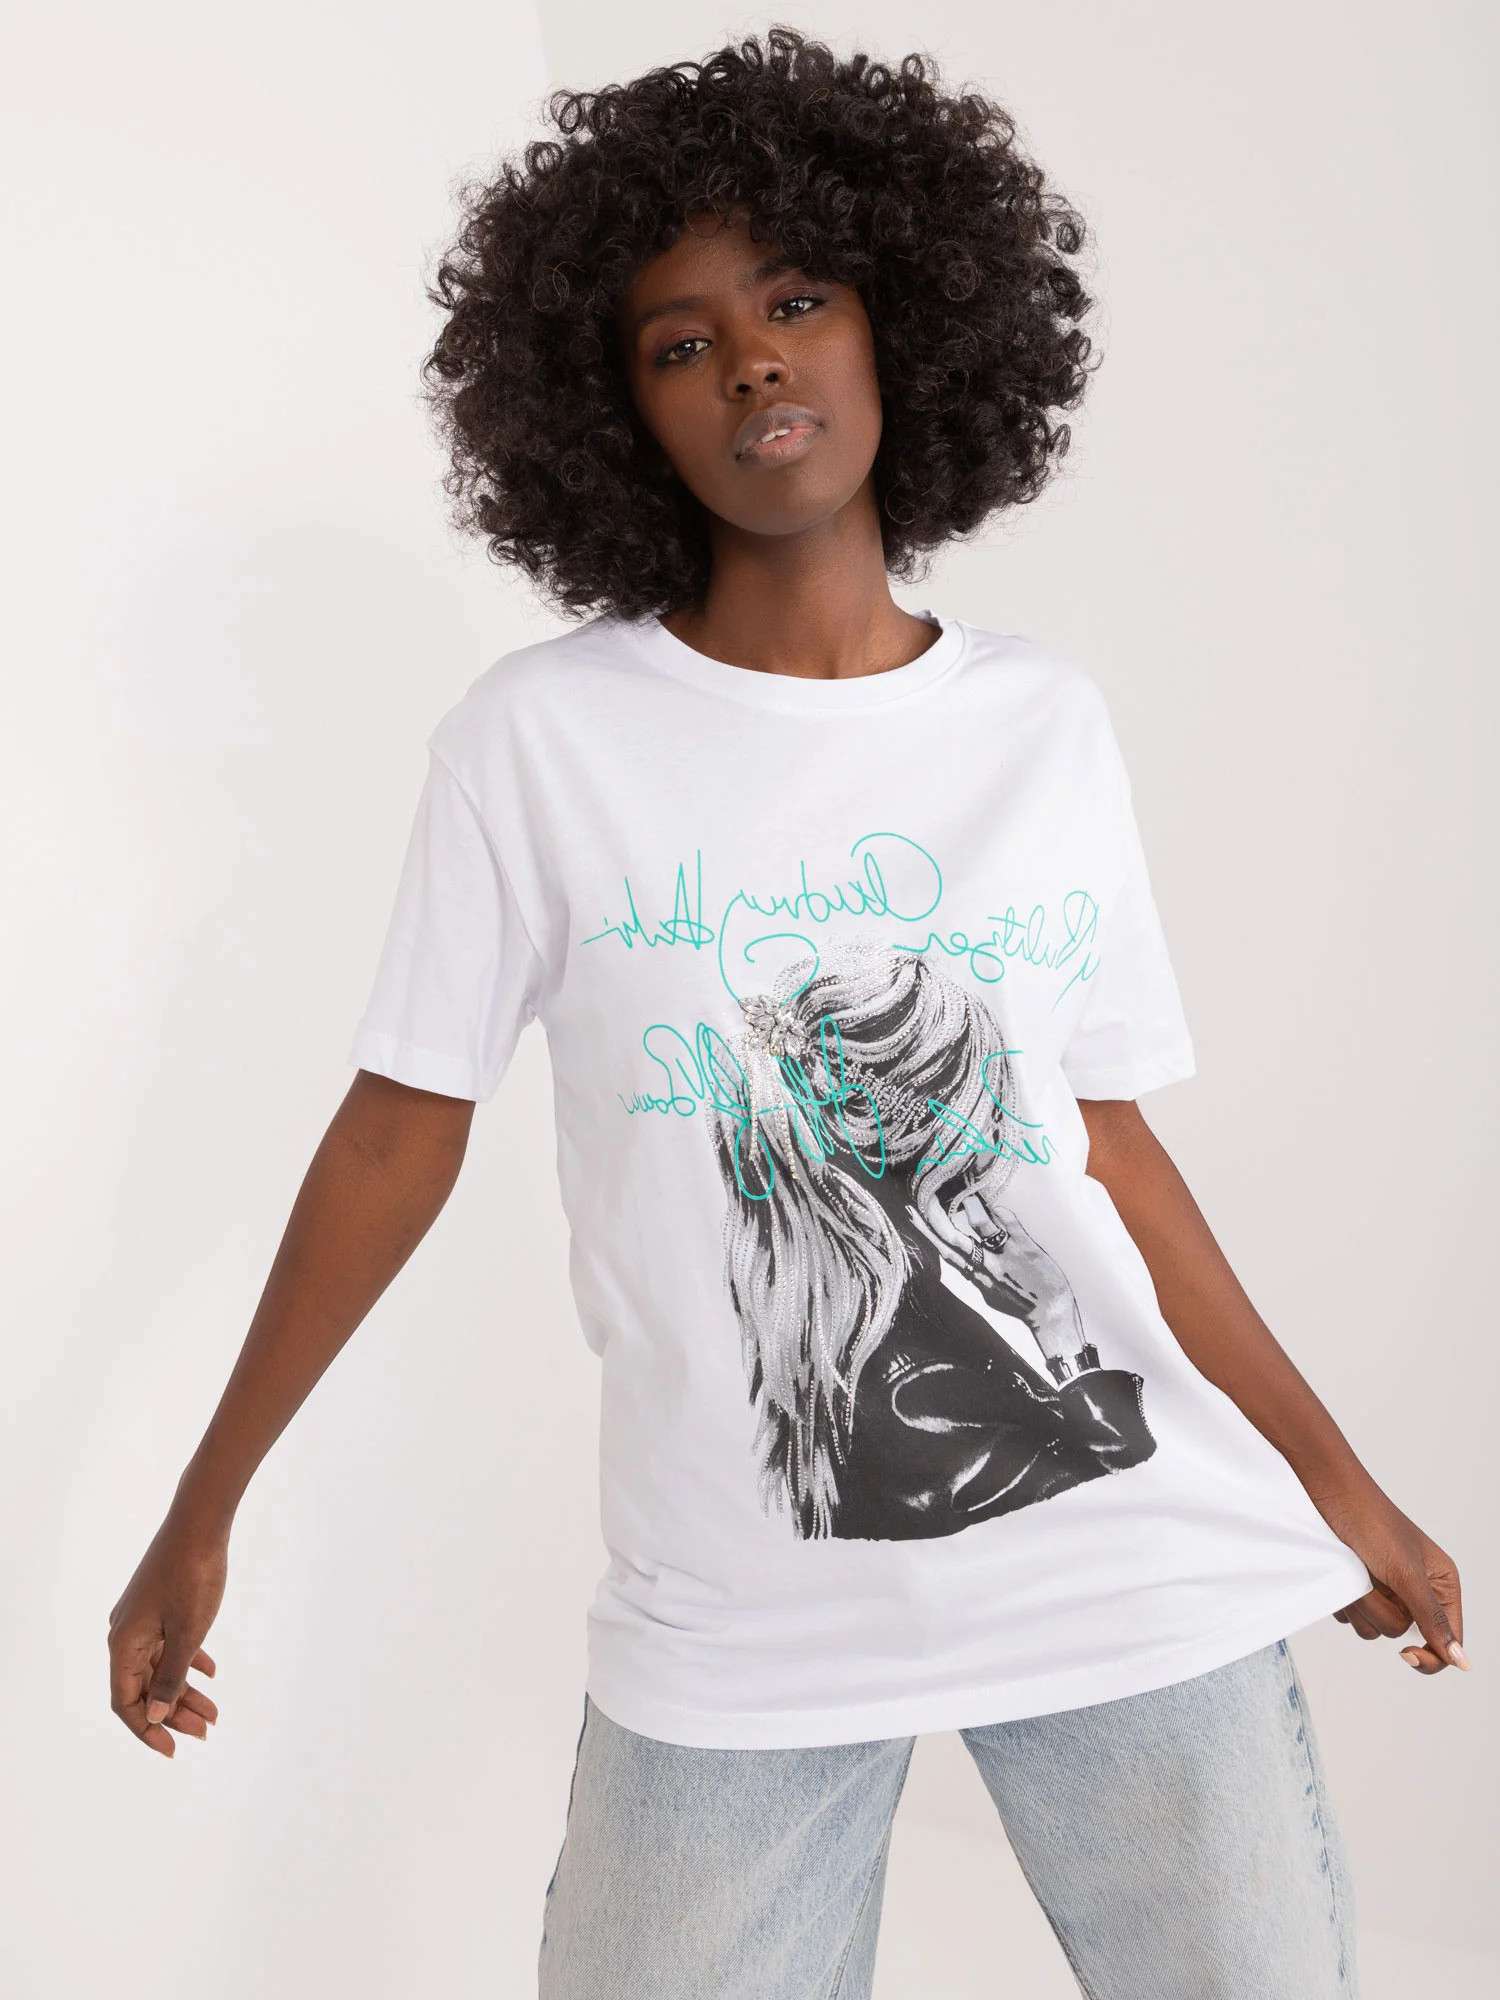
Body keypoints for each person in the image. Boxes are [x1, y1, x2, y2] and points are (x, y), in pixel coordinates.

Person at [107, 28, 1469, 1998]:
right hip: (738, 1631)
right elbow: (400, 1131)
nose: (750, 360)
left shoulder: (1044, 727)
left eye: (796, 301)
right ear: (613, 416)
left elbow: (1106, 1147)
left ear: (904, 327)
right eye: (682, 342)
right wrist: (201, 1502)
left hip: (1128, 1572)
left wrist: (1338, 1484)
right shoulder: (539, 744)